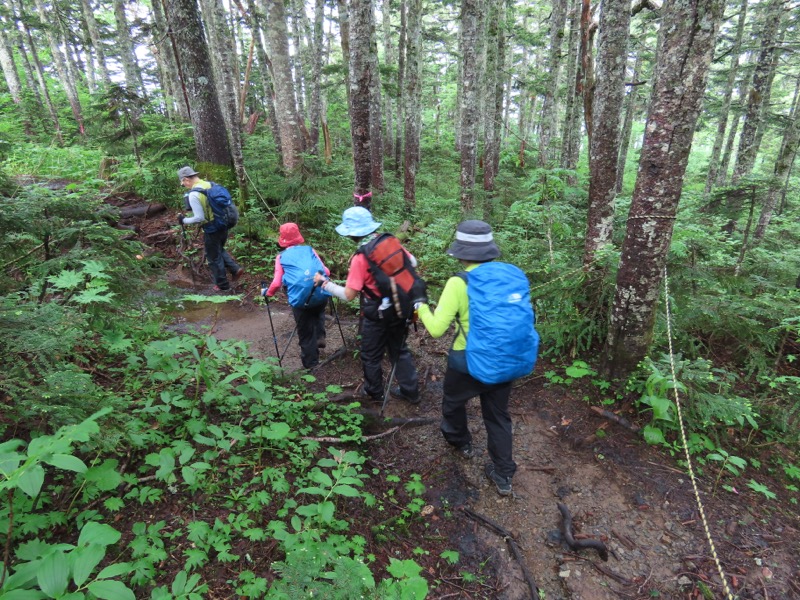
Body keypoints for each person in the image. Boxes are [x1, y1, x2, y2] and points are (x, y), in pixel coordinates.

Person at [415, 220, 516, 496]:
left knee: (453, 401)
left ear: (461, 252)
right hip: (505, 358)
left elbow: (436, 330)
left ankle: (461, 442)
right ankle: (503, 474)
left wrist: (420, 305)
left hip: (468, 361)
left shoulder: (459, 282)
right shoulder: (511, 275)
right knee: (498, 416)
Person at [314, 206, 420, 405]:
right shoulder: (391, 241)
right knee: (399, 350)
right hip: (401, 306)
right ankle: (411, 391)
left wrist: (324, 283)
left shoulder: (361, 257)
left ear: (352, 233)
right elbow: (412, 262)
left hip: (376, 314)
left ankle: (374, 392)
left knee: (370, 354)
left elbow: (349, 295)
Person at [264, 223, 330, 369]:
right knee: (318, 308)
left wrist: (267, 293)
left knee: (305, 333)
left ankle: (311, 365)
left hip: (301, 301)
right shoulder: (310, 250)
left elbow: (276, 283)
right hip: (321, 293)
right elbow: (326, 271)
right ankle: (320, 336)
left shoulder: (281, 257)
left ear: (282, 238)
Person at [177, 166, 243, 292]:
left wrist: (184, 220)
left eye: (183, 183)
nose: (184, 185)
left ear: (186, 179)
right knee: (218, 249)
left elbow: (199, 218)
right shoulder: (210, 184)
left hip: (212, 227)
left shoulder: (194, 194)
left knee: (213, 257)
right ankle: (235, 269)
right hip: (224, 223)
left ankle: (223, 285)